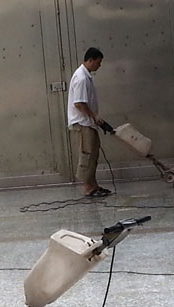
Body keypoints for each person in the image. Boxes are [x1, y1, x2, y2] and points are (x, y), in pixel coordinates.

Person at [67, 47, 112, 197]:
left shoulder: (86, 76)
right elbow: (79, 103)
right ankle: (88, 188)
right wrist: (94, 116)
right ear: (90, 60)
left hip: (88, 122)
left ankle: (94, 185)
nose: (99, 65)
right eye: (98, 62)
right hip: (83, 123)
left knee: (93, 154)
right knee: (87, 155)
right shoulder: (81, 78)